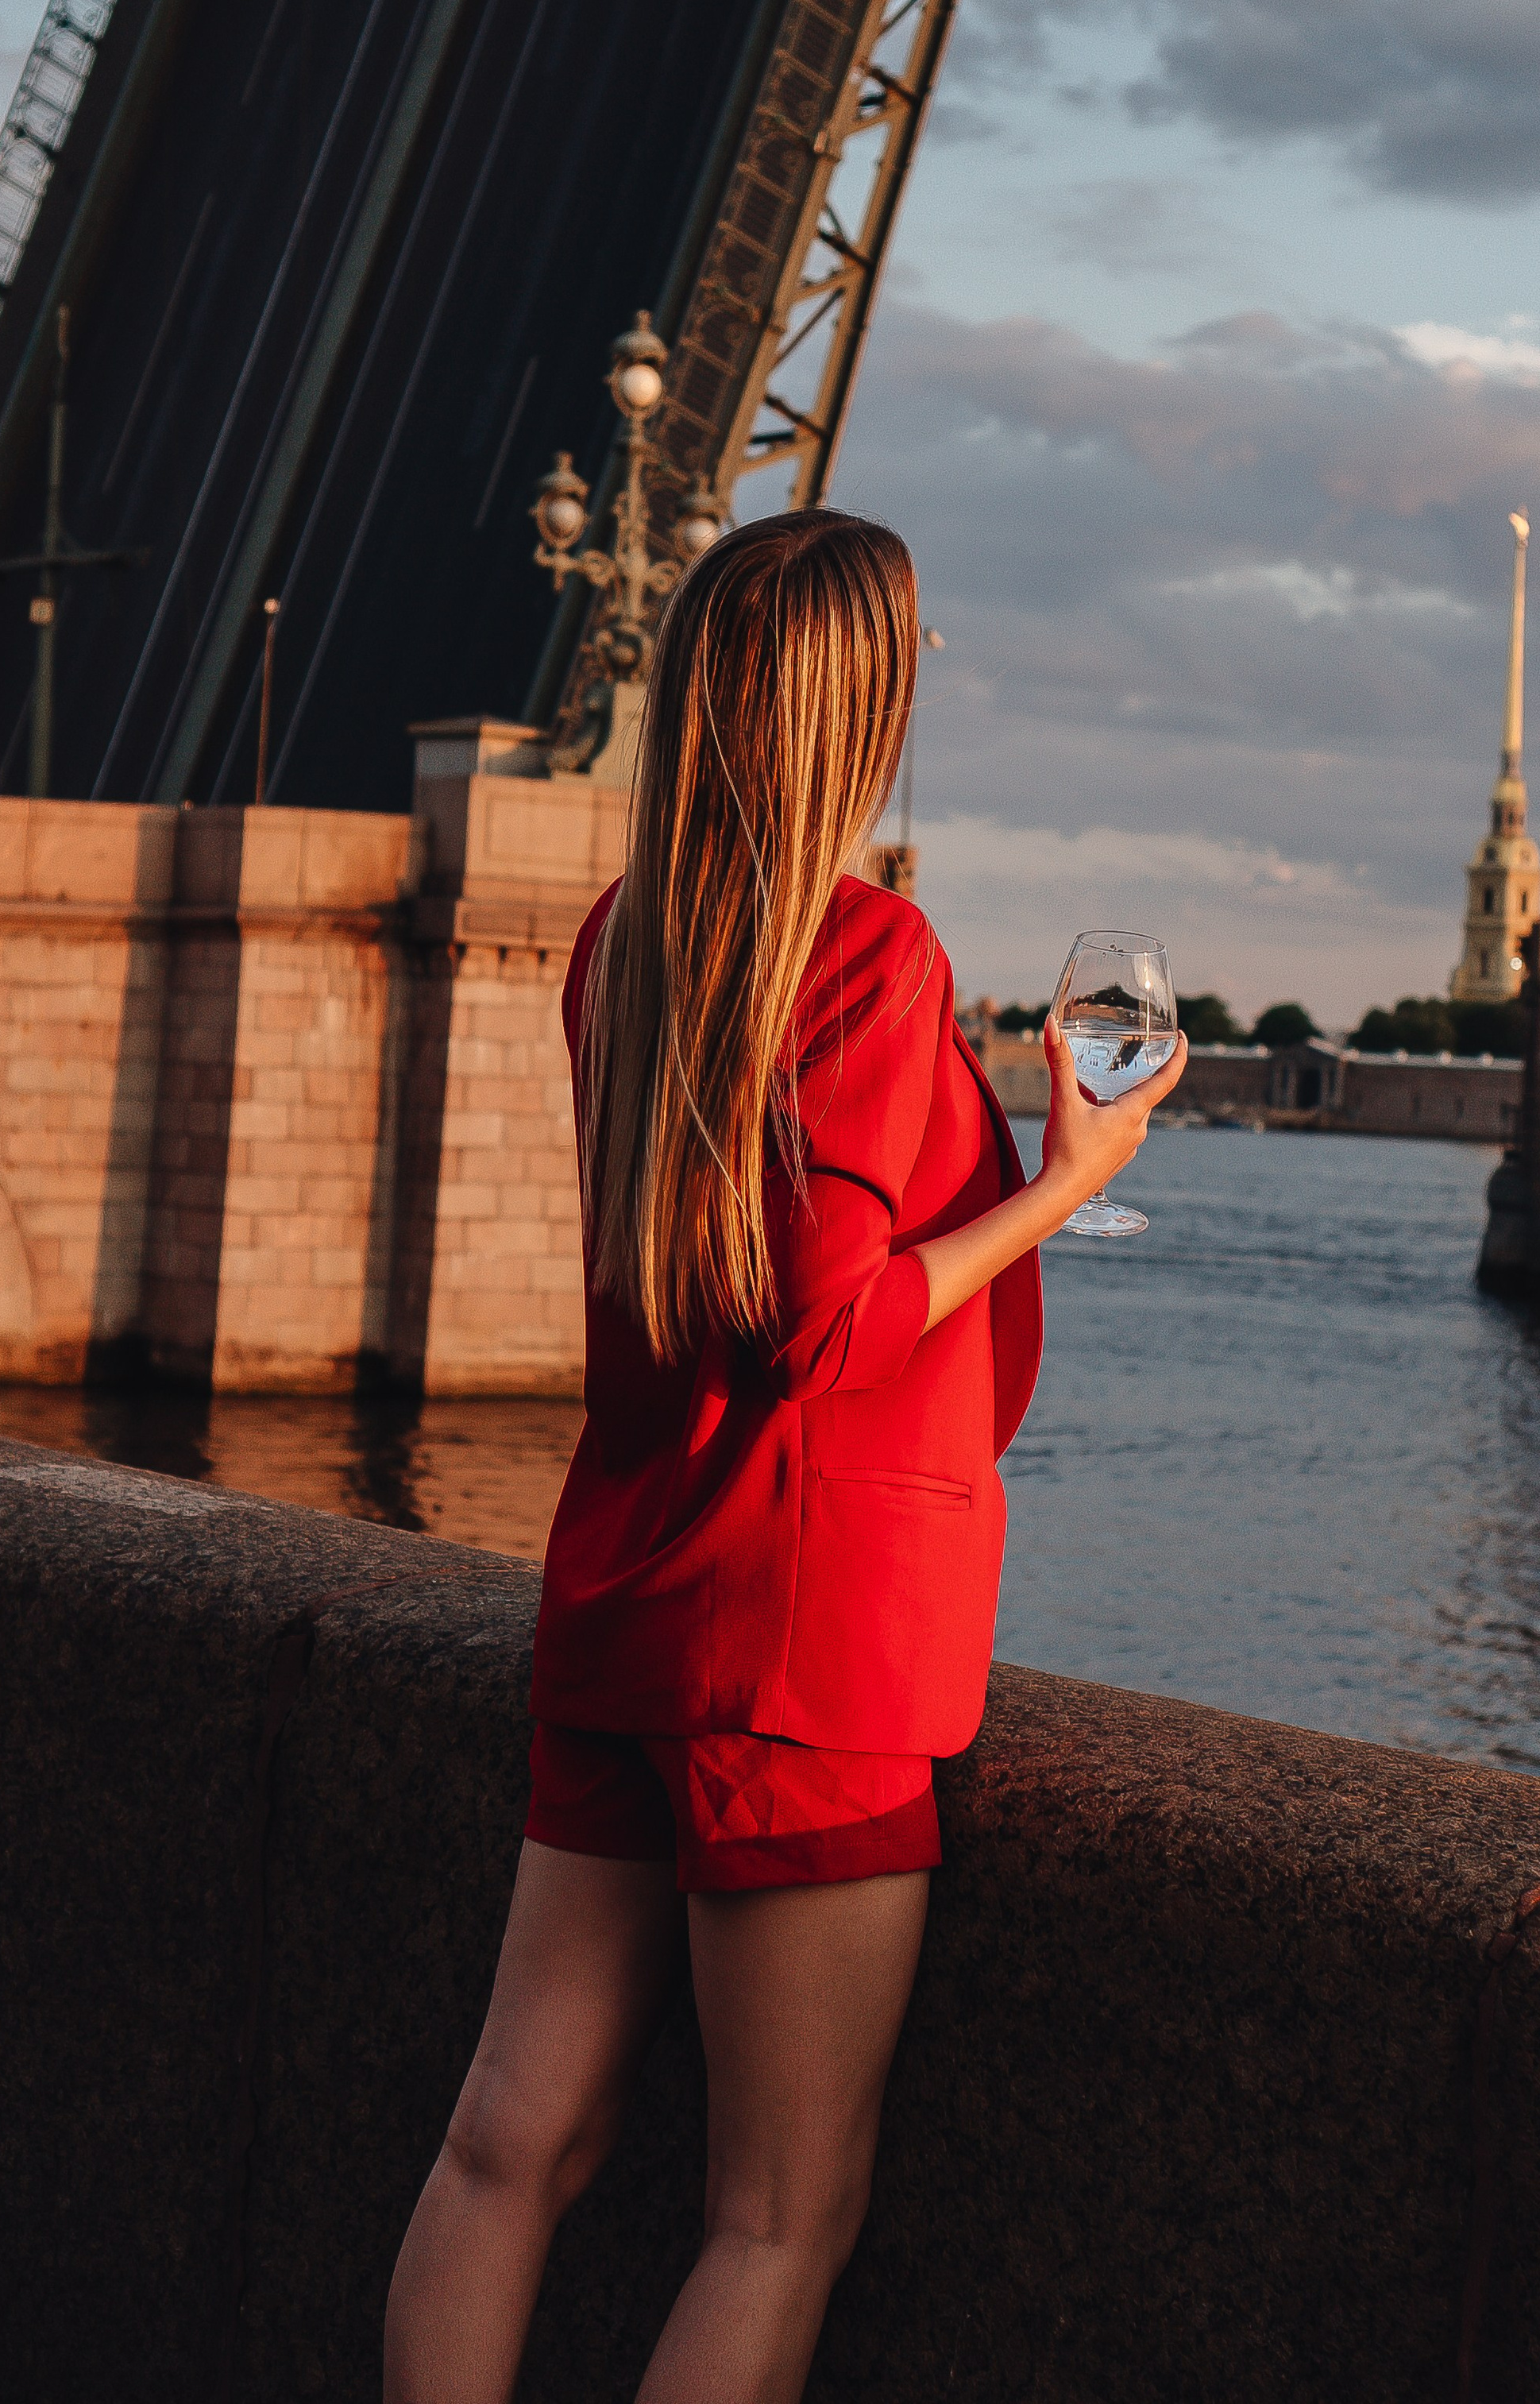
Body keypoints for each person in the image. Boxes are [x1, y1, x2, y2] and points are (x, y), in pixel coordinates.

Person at [384, 508, 1187, 2404]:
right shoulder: (871, 955)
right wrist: (1062, 1183)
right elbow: (819, 1330)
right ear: (864, 707)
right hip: (811, 1658)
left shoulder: (628, 940)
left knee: (507, 2145)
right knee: (775, 2219)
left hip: (628, 1592)